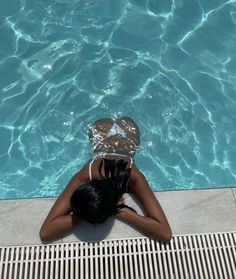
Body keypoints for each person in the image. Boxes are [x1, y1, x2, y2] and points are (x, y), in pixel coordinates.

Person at [39, 116, 172, 242]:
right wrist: (89, 210)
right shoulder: (86, 175)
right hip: (115, 132)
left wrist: (118, 211)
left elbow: (165, 233)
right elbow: (46, 232)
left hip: (107, 133)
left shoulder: (131, 176)